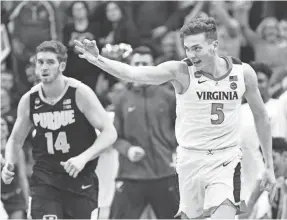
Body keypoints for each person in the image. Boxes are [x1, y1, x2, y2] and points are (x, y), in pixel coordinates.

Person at [75, 17, 276, 219]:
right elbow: (135, 73)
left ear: (214, 45)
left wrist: (268, 166)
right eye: (187, 49)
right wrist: (98, 59)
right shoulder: (180, 71)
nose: (191, 55)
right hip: (191, 159)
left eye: (197, 48)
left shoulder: (243, 73)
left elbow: (262, 117)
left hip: (226, 158)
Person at [1, 40, 117, 219]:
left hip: (80, 179)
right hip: (45, 181)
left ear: (61, 65)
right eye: (40, 62)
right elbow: (16, 139)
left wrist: (83, 157)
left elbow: (110, 132)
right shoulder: (29, 100)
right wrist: (9, 162)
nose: (44, 67)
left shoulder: (80, 93)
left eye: (50, 62)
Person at [109, 46, 179, 219]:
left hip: (165, 173)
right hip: (132, 174)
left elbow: (182, 129)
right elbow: (114, 136)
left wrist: (172, 147)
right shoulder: (121, 99)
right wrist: (128, 150)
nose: (140, 67)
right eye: (137, 63)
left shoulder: (169, 97)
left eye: (145, 63)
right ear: (130, 66)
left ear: (154, 66)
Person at [239, 62, 280, 219]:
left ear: (270, 82)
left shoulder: (278, 108)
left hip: (270, 185)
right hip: (244, 187)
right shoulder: (239, 112)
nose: (255, 85)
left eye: (260, 81)